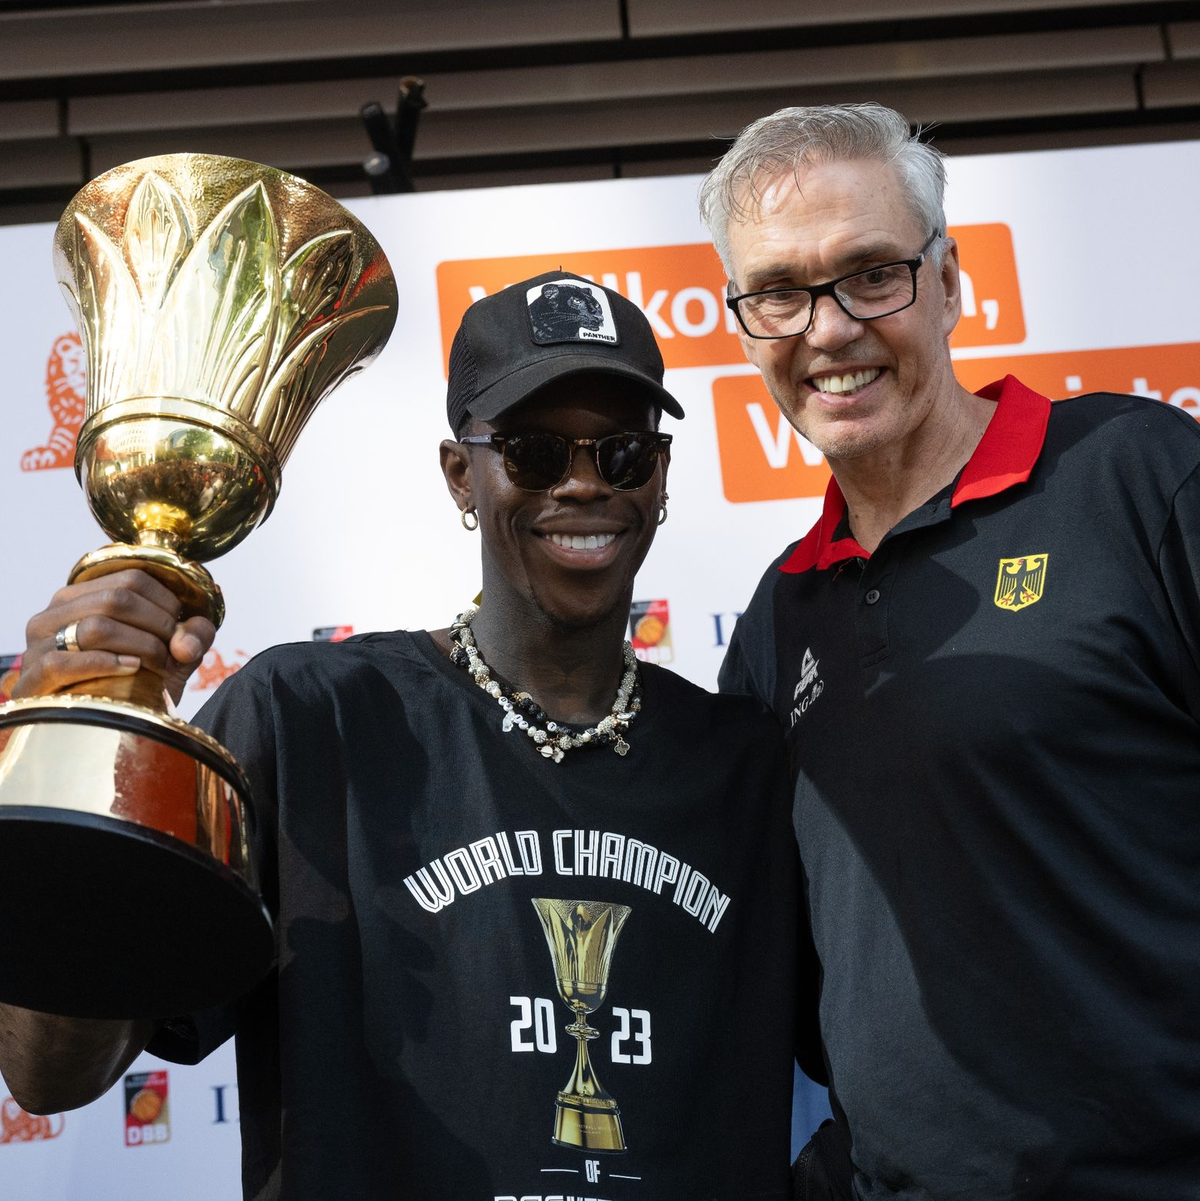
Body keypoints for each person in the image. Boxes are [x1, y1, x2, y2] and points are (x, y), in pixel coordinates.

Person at [0, 272, 806, 1200]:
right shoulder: (307, 718)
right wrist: (86, 735)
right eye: (535, 452)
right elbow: (48, 1071)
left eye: (621, 453)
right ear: (463, 473)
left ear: (661, 478)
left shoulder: (749, 766)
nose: (582, 483)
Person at [701, 102, 1200, 1200]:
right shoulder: (778, 618)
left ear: (950, 279)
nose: (828, 329)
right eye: (779, 291)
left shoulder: (1137, 477)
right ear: (744, 327)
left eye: (871, 272)